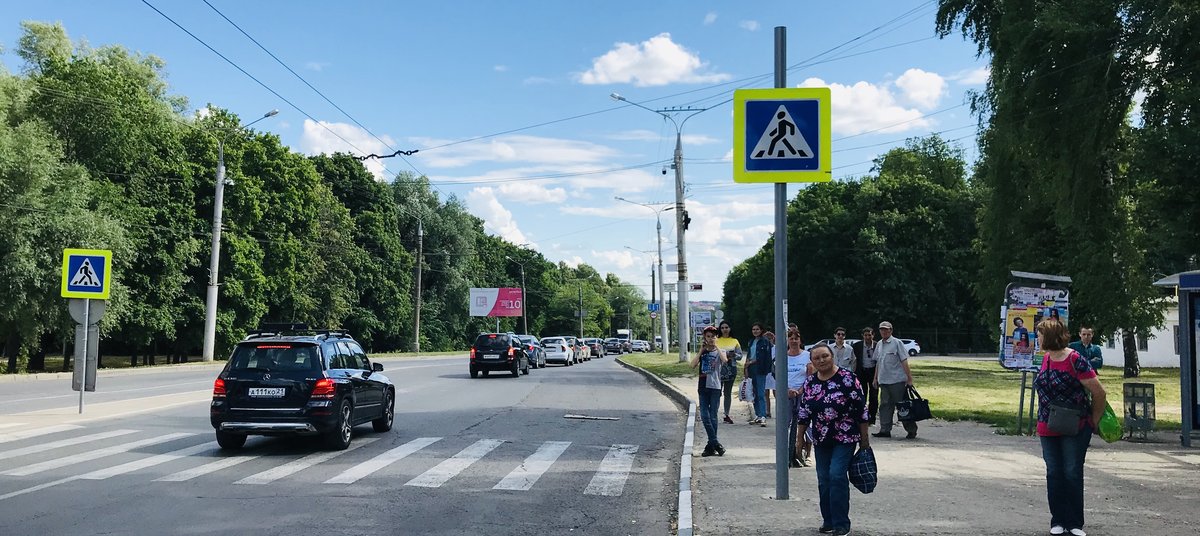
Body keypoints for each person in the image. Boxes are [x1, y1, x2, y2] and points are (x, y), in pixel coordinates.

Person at [1034, 318, 1106, 536]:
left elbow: (1099, 393)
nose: (1037, 338)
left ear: (1050, 335)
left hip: (1075, 426)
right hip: (1048, 425)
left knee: (1072, 472)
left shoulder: (1076, 360)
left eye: (1040, 334)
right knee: (1053, 472)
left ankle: (1074, 522)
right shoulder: (1045, 359)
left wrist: (1093, 420)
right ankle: (1057, 520)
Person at [794, 343, 870, 536]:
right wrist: (800, 438)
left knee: (836, 475)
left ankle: (841, 523)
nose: (821, 360)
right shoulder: (810, 383)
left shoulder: (848, 379)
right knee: (823, 479)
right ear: (812, 362)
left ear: (832, 356)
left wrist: (864, 440)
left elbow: (861, 410)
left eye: (825, 356)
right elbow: (804, 412)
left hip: (845, 436)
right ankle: (828, 520)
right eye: (817, 358)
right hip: (821, 438)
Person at [873, 320, 918, 439]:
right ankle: (885, 430)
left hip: (897, 380)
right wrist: (875, 378)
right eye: (881, 329)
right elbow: (878, 362)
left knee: (902, 406)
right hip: (884, 380)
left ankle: (911, 429)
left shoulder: (897, 343)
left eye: (886, 329)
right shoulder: (879, 344)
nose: (883, 331)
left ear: (891, 330)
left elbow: (904, 361)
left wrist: (909, 378)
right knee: (884, 406)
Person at [690, 325, 729, 457]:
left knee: (713, 416)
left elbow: (725, 361)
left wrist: (717, 347)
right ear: (704, 338)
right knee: (704, 416)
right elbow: (692, 365)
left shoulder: (720, 351)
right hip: (703, 386)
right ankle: (715, 443)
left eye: (713, 336)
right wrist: (701, 351)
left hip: (715, 387)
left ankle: (710, 446)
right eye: (708, 336)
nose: (711, 339)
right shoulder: (703, 352)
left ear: (716, 337)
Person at [785, 325, 814, 467]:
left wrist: (801, 390)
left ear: (800, 340)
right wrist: (787, 390)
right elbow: (778, 377)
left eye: (796, 338)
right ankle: (788, 453)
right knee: (786, 424)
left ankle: (808, 454)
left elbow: (811, 376)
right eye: (791, 338)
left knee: (806, 424)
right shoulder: (782, 356)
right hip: (787, 394)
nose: (794, 341)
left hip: (804, 393)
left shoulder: (807, 355)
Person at [715, 320, 743, 425]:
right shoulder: (716, 340)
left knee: (727, 393)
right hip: (718, 369)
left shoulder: (735, 341)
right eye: (722, 328)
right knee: (717, 392)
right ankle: (714, 413)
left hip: (731, 369)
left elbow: (740, 356)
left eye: (726, 327)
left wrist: (733, 355)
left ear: (730, 329)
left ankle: (726, 414)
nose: (724, 329)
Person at [745, 322, 773, 425]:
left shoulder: (765, 342)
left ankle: (763, 415)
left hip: (760, 369)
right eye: (753, 329)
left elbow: (765, 358)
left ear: (761, 330)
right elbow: (749, 355)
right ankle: (757, 415)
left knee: (761, 393)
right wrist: (746, 368)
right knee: (754, 393)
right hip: (751, 368)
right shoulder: (751, 341)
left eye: (757, 329)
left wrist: (753, 362)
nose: (755, 331)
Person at [852, 327, 879, 425]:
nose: (868, 337)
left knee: (874, 396)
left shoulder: (877, 345)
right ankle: (862, 416)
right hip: (862, 372)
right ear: (863, 336)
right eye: (866, 335)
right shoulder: (857, 346)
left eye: (870, 335)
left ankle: (872, 418)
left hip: (873, 372)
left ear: (873, 335)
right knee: (862, 395)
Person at [762, 330, 776, 418]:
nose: (769, 340)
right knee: (765, 392)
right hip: (766, 371)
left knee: (776, 392)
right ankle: (767, 411)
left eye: (770, 339)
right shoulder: (763, 347)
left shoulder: (776, 348)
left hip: (774, 372)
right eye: (767, 339)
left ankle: (780, 410)